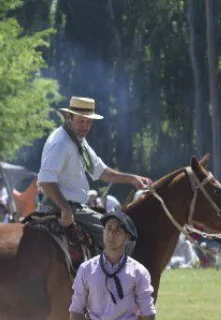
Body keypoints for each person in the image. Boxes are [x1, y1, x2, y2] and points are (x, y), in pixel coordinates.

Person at [37, 96, 153, 249]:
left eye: (89, 121)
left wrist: (132, 179)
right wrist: (65, 208)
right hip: (62, 207)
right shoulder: (61, 142)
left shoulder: (77, 140)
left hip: (74, 207)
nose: (85, 126)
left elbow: (102, 172)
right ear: (68, 117)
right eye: (81, 120)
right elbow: (45, 180)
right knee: (122, 239)